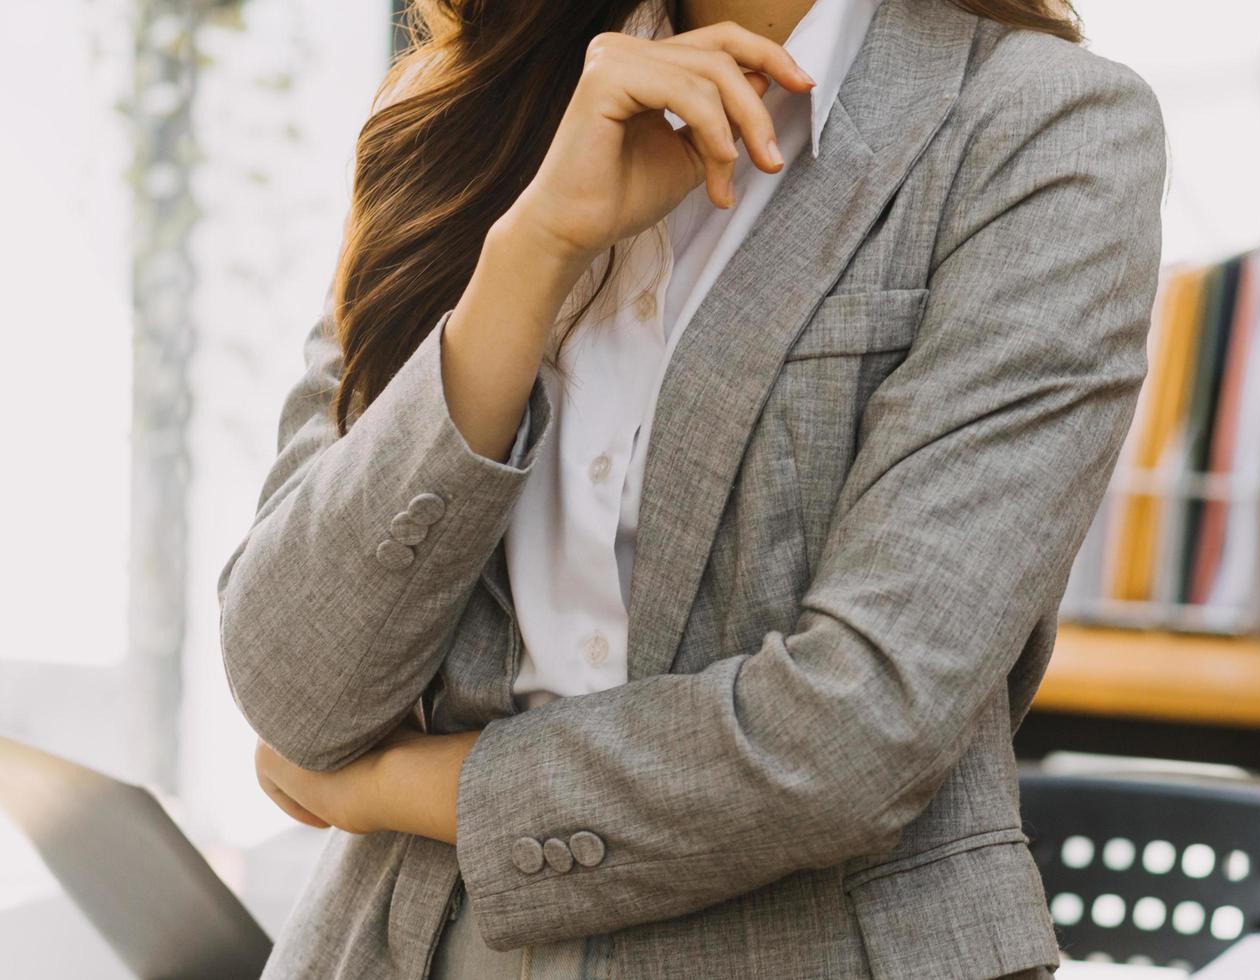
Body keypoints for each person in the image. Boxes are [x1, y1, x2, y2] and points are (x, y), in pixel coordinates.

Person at [214, 0, 1164, 975]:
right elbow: (294, 687)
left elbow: (861, 725)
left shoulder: (1039, 131)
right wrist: (531, 252)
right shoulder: (462, 111)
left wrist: (391, 790)